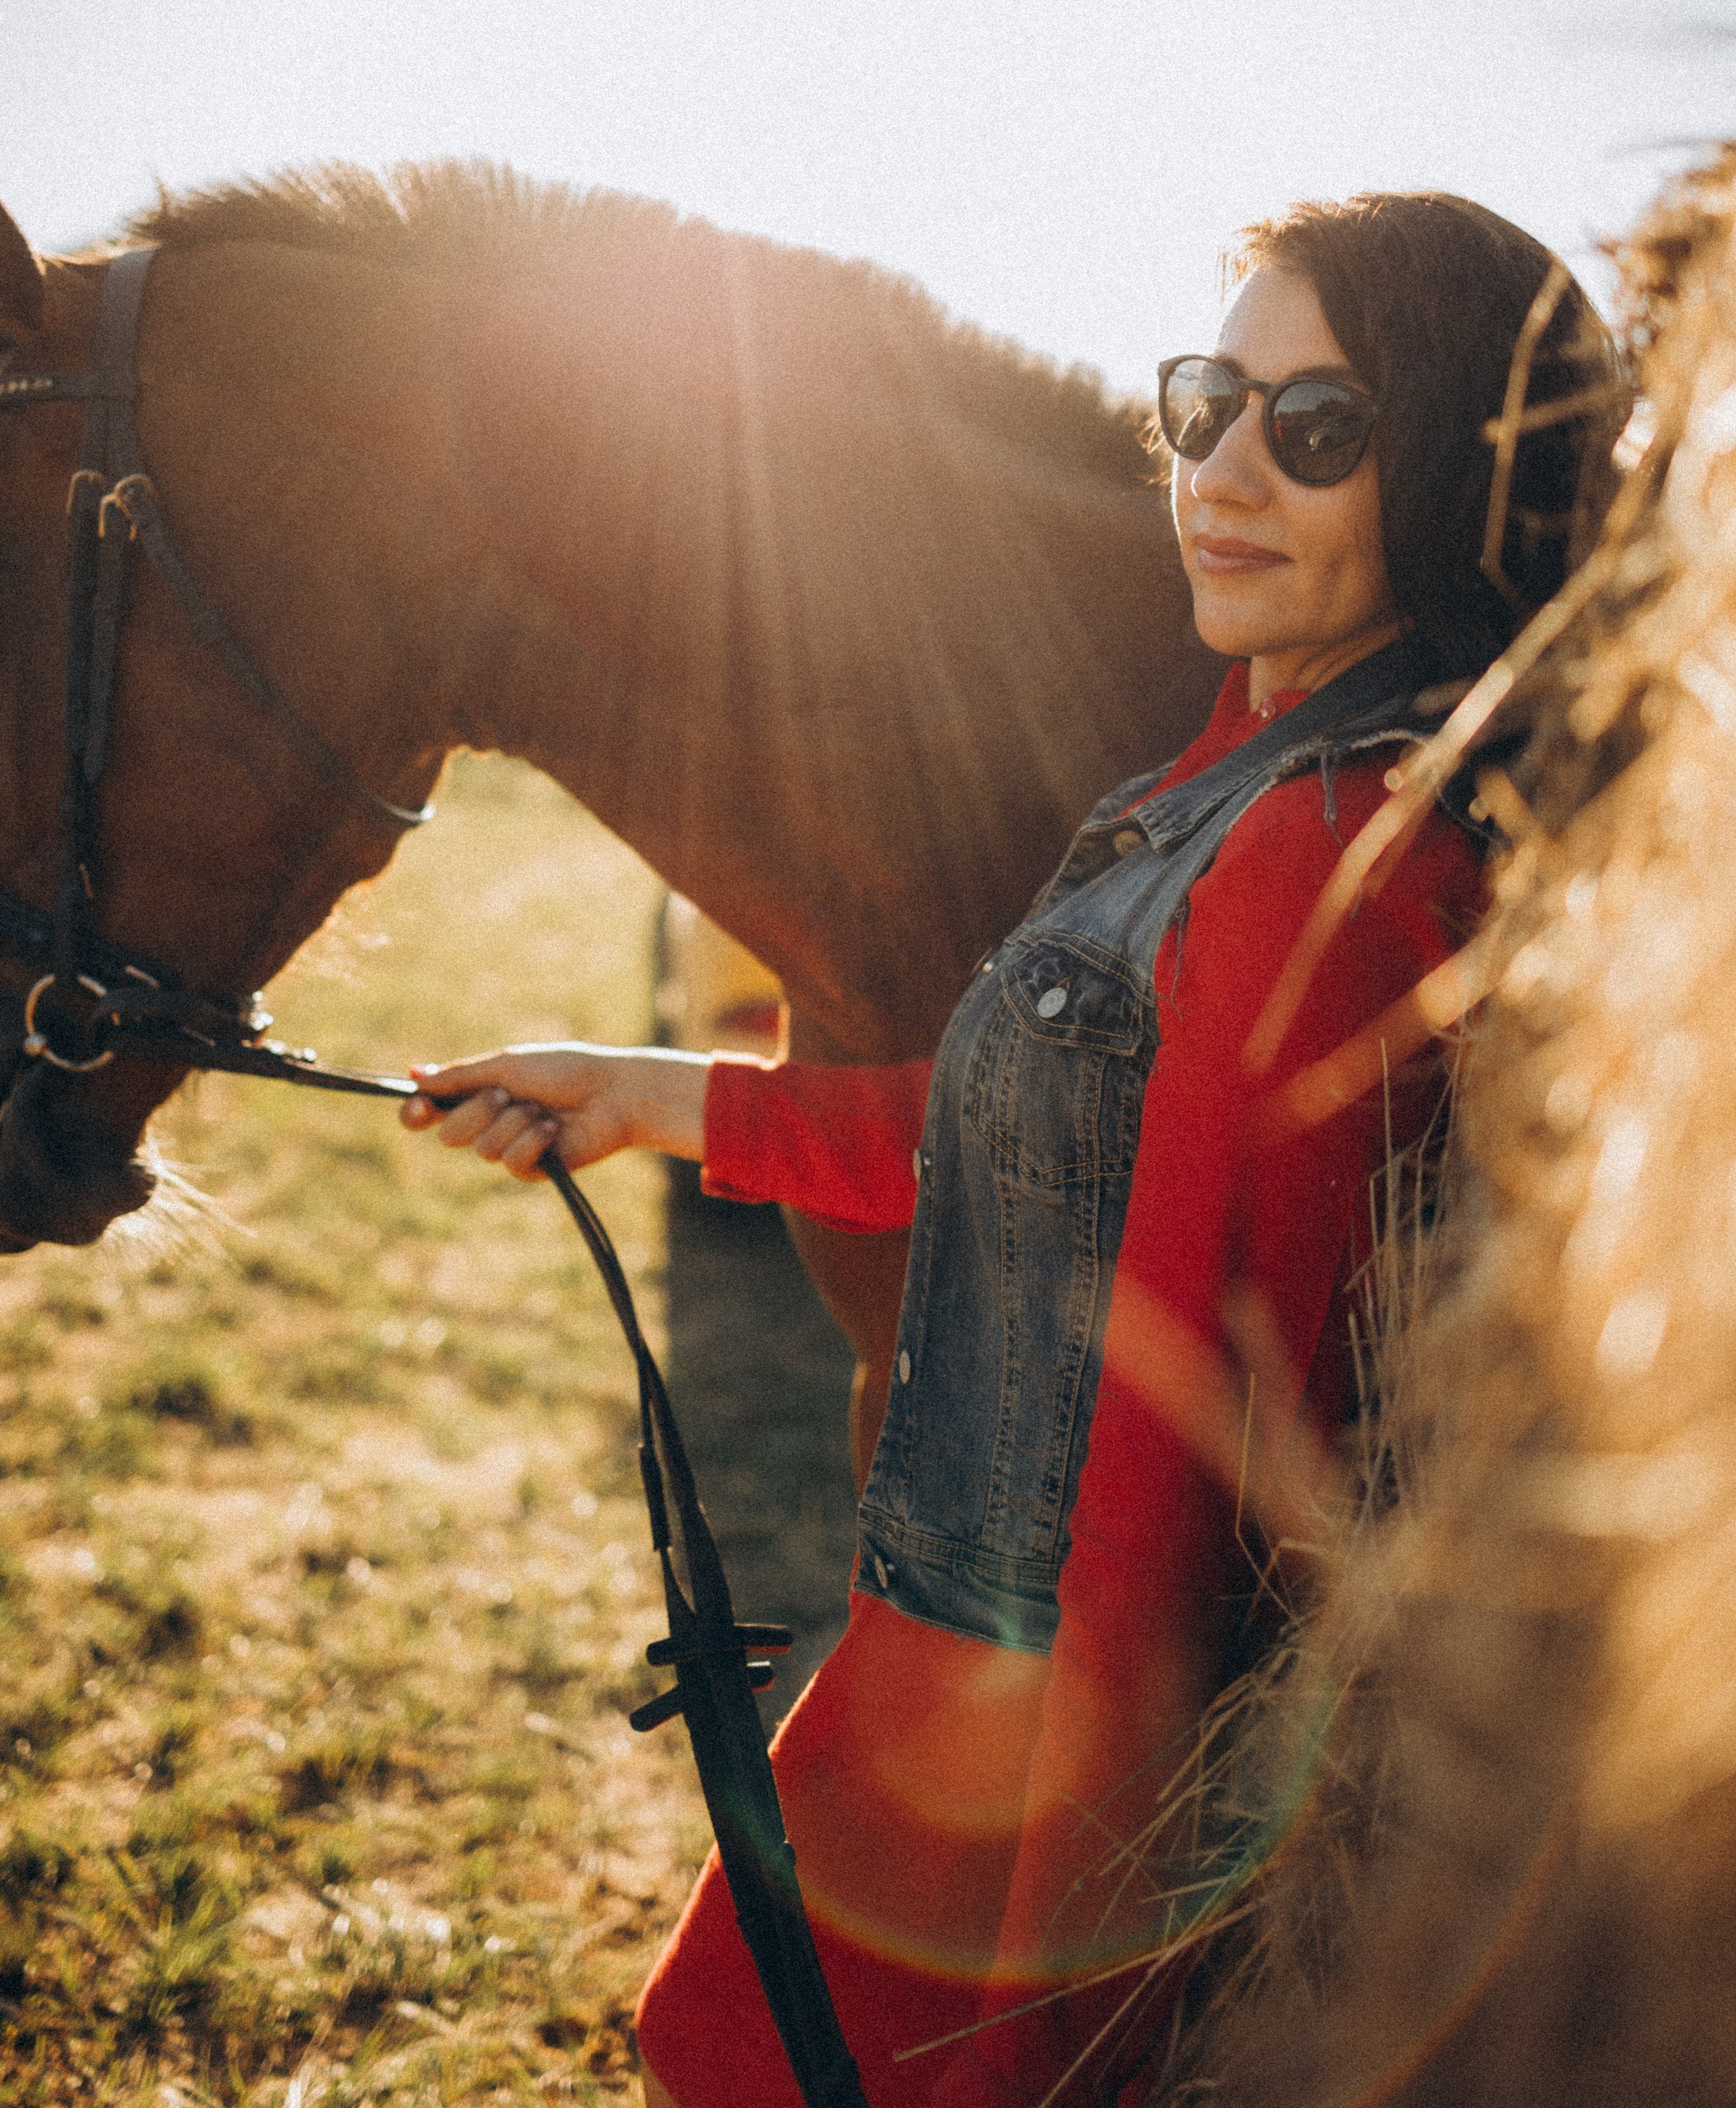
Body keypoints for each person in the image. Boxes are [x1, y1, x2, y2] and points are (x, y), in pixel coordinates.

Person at [401, 193, 1619, 2106]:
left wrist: (1041, 2001)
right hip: (957, 1665)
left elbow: (1189, 1467)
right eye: (1205, 402)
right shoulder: (1231, 767)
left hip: (1038, 1766)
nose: (1220, 469)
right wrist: (649, 1090)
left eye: (1318, 430)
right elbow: (1038, 1153)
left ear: (1461, 475)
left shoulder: (1326, 853)